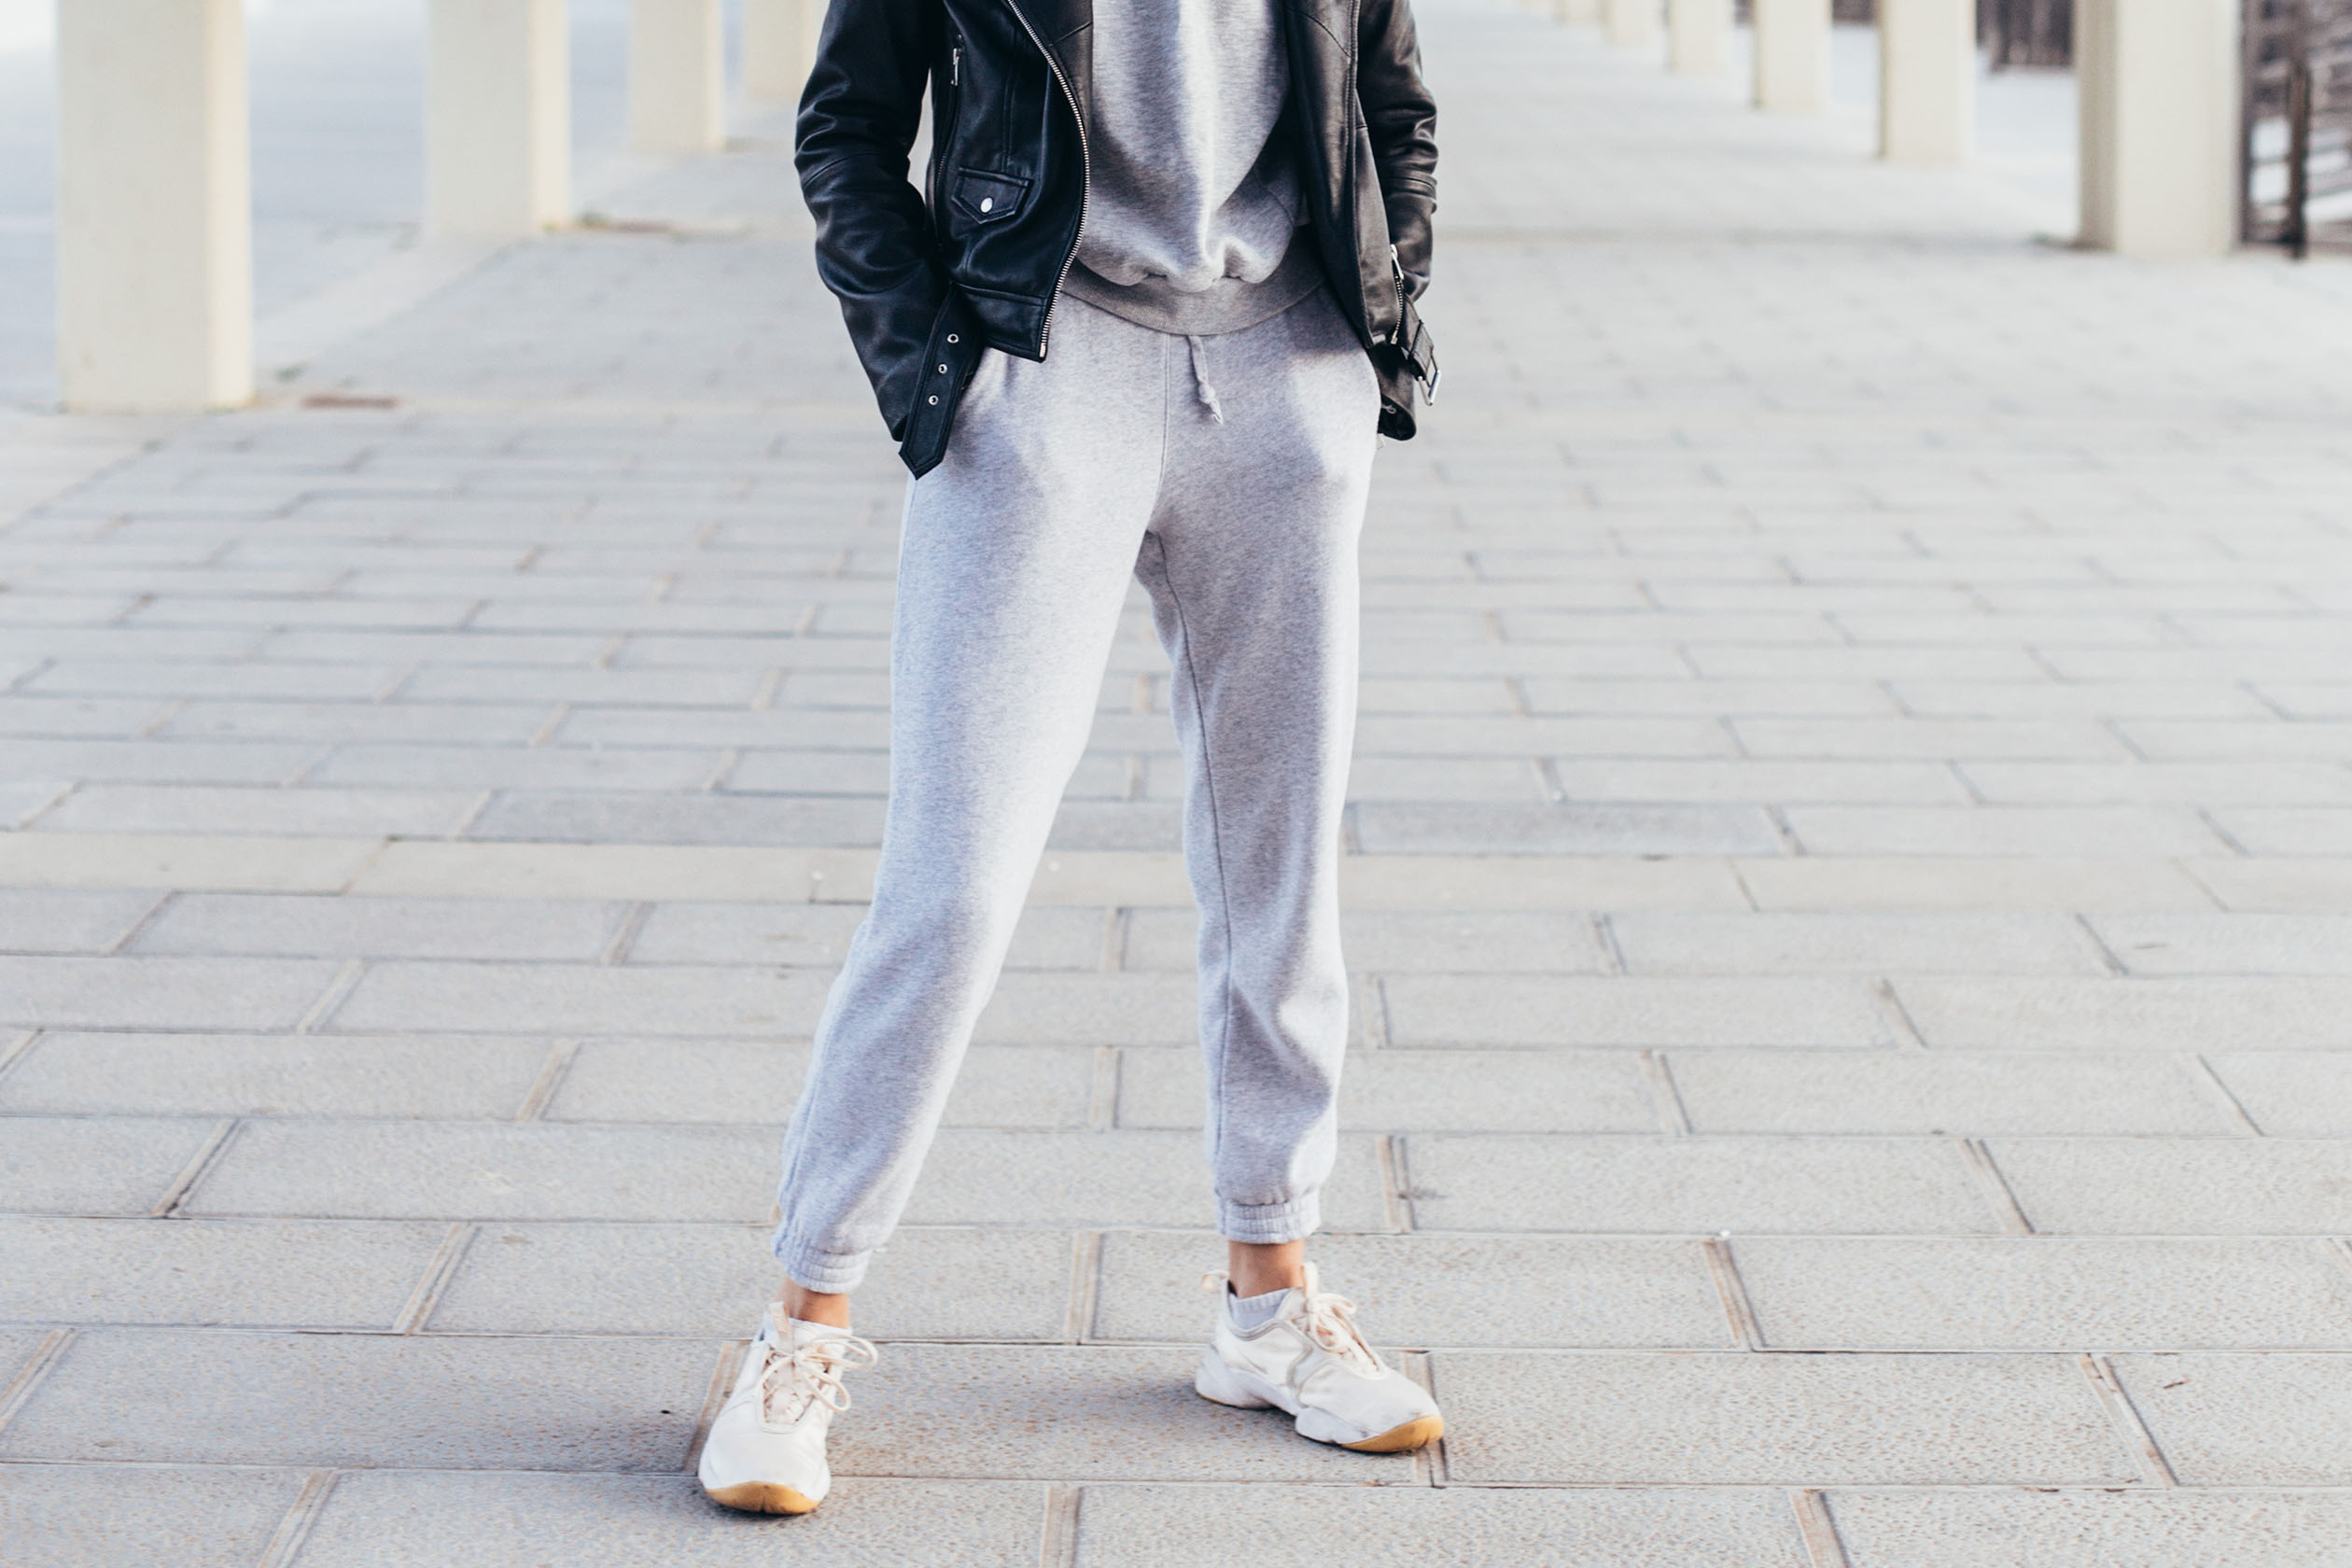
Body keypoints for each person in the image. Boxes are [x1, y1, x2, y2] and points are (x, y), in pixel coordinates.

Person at [696, 0, 1441, 1517]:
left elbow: (1390, 99)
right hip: (1041, 371)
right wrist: (942, 372)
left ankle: (1270, 1299)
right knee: (955, 886)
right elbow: (846, 128)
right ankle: (803, 1322)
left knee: (1279, 870)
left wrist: (1371, 333)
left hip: (1284, 377)